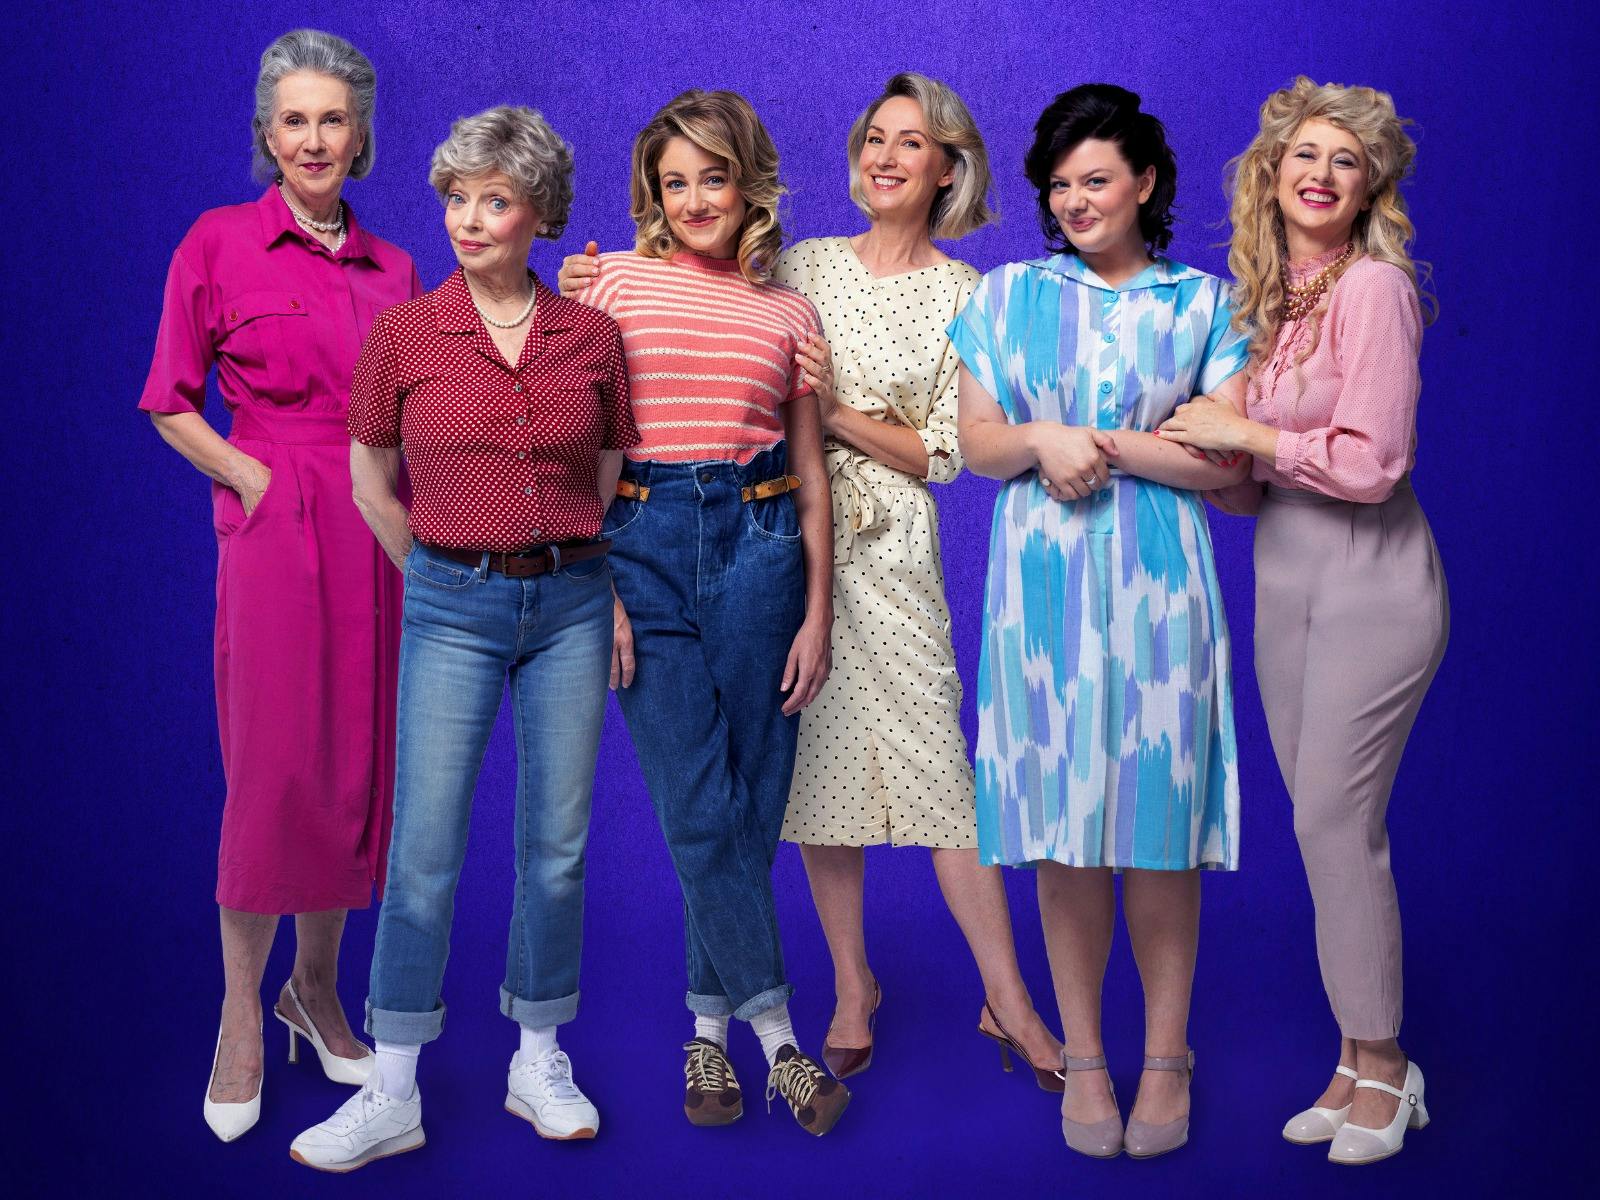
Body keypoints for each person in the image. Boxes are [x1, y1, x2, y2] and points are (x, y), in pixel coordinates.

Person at [288, 106, 637, 1172]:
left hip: (574, 602)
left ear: (538, 215)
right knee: (425, 851)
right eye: (455, 197)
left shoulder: (591, 336)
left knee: (558, 847)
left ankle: (538, 1055)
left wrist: (570, 560)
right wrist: (442, 581)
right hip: (452, 606)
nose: (468, 218)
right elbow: (367, 480)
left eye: (494, 199)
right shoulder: (403, 334)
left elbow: (612, 467)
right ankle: (392, 1087)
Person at [950, 84, 1252, 1159]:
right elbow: (977, 446)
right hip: (1039, 593)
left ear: (1145, 183)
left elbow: (1228, 460)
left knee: (1159, 827)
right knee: (1063, 829)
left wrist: (1100, 443)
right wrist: (1041, 438)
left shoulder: (1205, 303)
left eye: (1096, 179)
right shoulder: (1005, 297)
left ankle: (1165, 1055)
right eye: (1059, 183)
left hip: (1163, 585)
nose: (1074, 199)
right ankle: (1083, 1051)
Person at [1157, 77, 1447, 1167]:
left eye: (1344, 161)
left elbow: (1371, 465)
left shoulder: (1371, 287)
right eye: (1303, 157)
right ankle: (1354, 1062)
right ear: (1269, 178)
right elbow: (1255, 488)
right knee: (1317, 829)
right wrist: (1202, 456)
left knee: (1336, 825)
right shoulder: (1274, 306)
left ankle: (1388, 1062)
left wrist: (1241, 431)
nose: (1320, 175)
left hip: (1374, 583)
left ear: (1368, 185)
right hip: (1287, 582)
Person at [138, 29, 420, 1143]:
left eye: (333, 119)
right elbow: (168, 398)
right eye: (294, 120)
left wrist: (573, 289)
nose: (314, 138)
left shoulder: (396, 268)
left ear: (360, 135)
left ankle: (315, 991)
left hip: (371, 520)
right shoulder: (216, 242)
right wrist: (248, 471)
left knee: (354, 764)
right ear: (267, 134)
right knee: (271, 765)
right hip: (271, 519)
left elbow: (429, 400)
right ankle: (239, 1017)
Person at [561, 89, 846, 1136]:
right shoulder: (610, 285)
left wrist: (818, 612)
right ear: (651, 194)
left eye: (711, 177)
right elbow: (575, 450)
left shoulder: (790, 313)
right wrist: (597, 588)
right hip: (638, 541)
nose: (692, 199)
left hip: (764, 545)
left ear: (747, 183)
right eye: (672, 182)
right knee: (694, 800)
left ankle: (705, 1043)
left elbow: (811, 474)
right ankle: (782, 1045)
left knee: (749, 802)